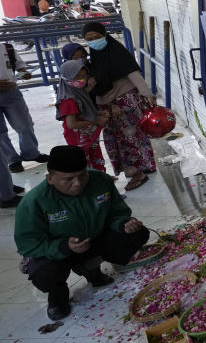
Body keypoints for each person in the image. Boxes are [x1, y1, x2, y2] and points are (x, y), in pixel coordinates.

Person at [14, 146, 149, 320]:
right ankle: (57, 296)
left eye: (82, 175)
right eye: (68, 179)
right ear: (50, 178)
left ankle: (91, 268)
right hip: (57, 252)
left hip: (93, 240)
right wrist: (63, 246)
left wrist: (124, 223)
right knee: (43, 271)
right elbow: (28, 243)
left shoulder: (101, 181)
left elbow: (118, 212)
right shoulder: (33, 202)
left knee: (136, 234)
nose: (77, 183)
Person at [82, 22, 156, 190]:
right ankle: (144, 167)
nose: (93, 41)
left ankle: (138, 173)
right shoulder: (93, 58)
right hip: (105, 105)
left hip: (125, 102)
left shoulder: (117, 52)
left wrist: (147, 94)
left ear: (105, 35)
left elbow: (133, 74)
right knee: (118, 140)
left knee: (130, 139)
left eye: (97, 37)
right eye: (89, 39)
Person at [0, 42, 48, 173]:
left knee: (25, 125)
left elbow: (18, 64)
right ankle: (12, 160)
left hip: (12, 92)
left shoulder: (7, 47)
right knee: (1, 133)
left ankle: (31, 153)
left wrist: (23, 72)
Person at [56, 61, 109, 172]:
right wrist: (96, 121)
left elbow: (83, 111)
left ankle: (101, 176)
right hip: (77, 139)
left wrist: (98, 113)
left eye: (84, 76)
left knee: (95, 155)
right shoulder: (68, 100)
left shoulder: (78, 92)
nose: (82, 80)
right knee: (84, 161)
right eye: (78, 77)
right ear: (68, 77)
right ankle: (91, 182)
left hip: (88, 135)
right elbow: (72, 124)